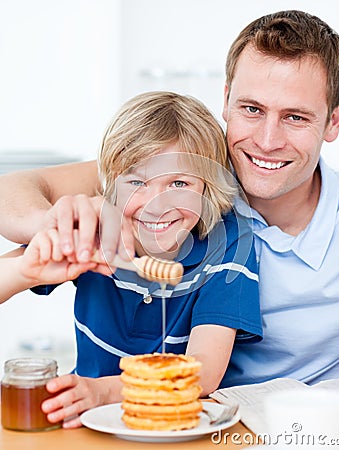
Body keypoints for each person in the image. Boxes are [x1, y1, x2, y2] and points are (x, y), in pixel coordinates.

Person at [0, 9, 339, 384]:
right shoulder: (176, 172)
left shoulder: (220, 227)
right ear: (227, 100)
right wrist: (56, 232)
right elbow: (15, 190)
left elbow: (201, 374)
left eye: (295, 117)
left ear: (333, 121)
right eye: (252, 109)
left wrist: (103, 392)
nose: (267, 142)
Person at [0, 91, 262, 428]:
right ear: (111, 185)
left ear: (206, 188)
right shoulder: (95, 231)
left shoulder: (228, 246)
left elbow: (204, 371)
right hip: (84, 424)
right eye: (137, 182)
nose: (156, 205)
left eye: (179, 183)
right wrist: (27, 271)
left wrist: (103, 392)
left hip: (176, 428)